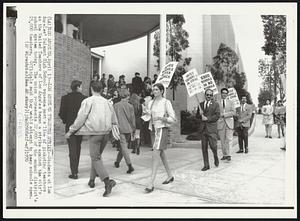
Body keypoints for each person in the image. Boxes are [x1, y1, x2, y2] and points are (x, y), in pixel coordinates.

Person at [65, 81, 120, 197]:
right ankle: (91, 180)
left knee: (95, 158)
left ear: (91, 89)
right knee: (97, 157)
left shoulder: (88, 101)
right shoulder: (107, 102)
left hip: (95, 134)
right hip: (106, 133)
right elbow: (114, 118)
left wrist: (71, 131)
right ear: (101, 90)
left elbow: (80, 118)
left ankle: (107, 182)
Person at [143, 83, 176, 193]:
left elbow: (172, 118)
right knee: (161, 153)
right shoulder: (151, 102)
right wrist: (146, 113)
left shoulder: (166, 102)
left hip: (162, 129)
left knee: (155, 154)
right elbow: (148, 117)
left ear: (162, 91)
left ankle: (151, 183)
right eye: (154, 89)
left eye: (157, 89)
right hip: (153, 130)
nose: (154, 91)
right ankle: (170, 175)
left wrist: (162, 118)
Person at [59, 80, 87, 179]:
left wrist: (66, 121)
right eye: (81, 86)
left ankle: (74, 172)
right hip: (80, 127)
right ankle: (76, 168)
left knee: (72, 149)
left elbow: (61, 113)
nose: (82, 88)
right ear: (78, 87)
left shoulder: (65, 98)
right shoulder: (84, 99)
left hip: (69, 126)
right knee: (78, 148)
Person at [196, 89, 220, 171]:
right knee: (204, 147)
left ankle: (215, 157)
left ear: (212, 96)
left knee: (213, 146)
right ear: (205, 95)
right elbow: (197, 117)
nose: (209, 96)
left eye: (210, 95)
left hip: (211, 129)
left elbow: (217, 116)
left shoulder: (216, 105)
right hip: (203, 129)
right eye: (207, 95)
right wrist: (200, 115)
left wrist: (207, 118)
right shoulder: (201, 104)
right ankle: (206, 165)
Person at [113, 90, 136, 173]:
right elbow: (132, 119)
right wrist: (133, 129)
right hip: (128, 128)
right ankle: (118, 162)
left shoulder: (116, 105)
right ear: (128, 96)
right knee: (124, 146)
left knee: (123, 147)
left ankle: (129, 165)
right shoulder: (130, 106)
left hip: (120, 128)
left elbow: (113, 118)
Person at [217, 88, 236, 162]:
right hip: (220, 123)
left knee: (229, 139)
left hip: (229, 123)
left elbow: (233, 112)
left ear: (227, 94)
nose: (224, 94)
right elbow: (216, 112)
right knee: (222, 140)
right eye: (223, 93)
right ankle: (224, 155)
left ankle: (229, 155)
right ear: (221, 94)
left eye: (225, 93)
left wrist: (224, 114)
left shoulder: (231, 102)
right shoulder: (217, 103)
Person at [129, 90, 143, 154]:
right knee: (138, 135)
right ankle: (138, 148)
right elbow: (141, 114)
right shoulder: (140, 105)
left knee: (133, 135)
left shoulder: (130, 105)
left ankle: (134, 149)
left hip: (132, 121)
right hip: (138, 121)